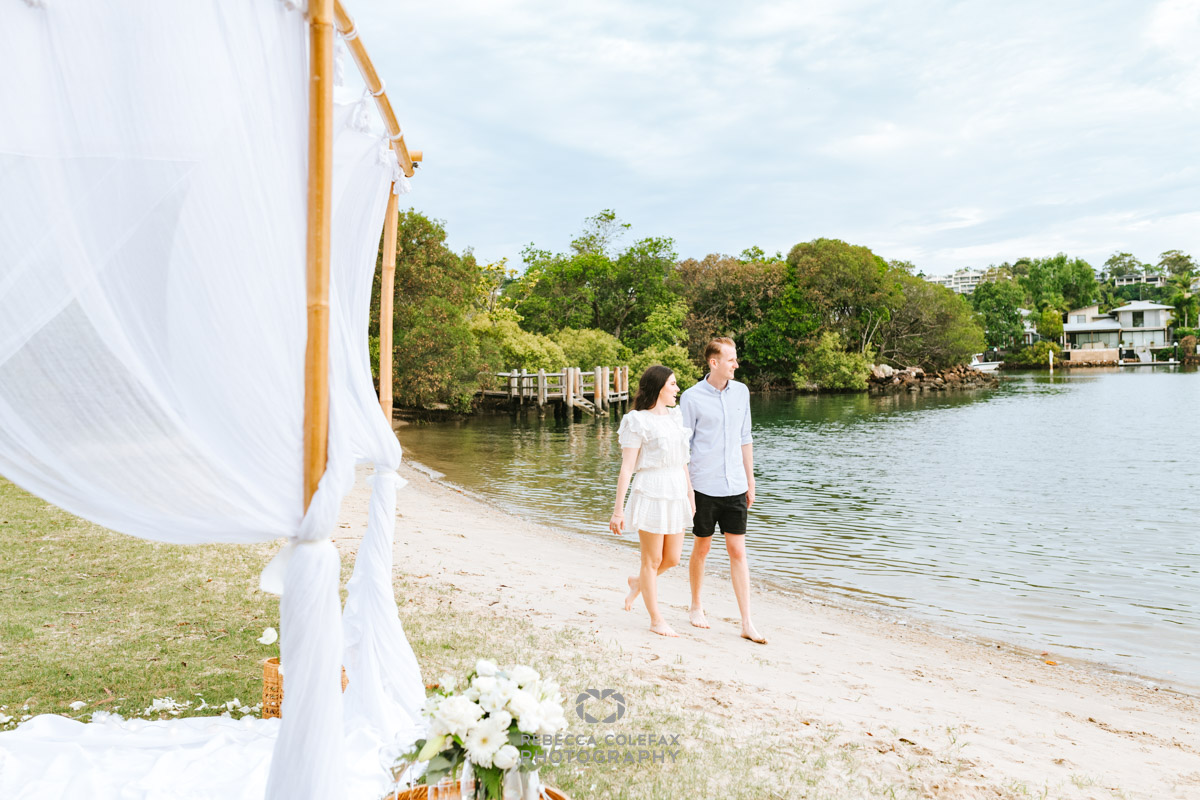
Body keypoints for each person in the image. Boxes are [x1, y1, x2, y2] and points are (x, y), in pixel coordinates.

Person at [679, 337, 767, 644]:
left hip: (735, 486)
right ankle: (695, 606)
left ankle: (746, 621)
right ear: (714, 362)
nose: (736, 364)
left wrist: (751, 481)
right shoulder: (690, 397)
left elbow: (746, 438)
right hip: (703, 486)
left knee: (738, 551)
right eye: (731, 360)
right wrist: (688, 491)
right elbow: (683, 448)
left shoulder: (741, 392)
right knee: (702, 548)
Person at [610, 365, 695, 638]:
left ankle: (637, 583)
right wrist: (617, 511)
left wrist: (690, 496)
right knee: (652, 558)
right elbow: (626, 468)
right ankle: (656, 619)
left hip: (675, 490)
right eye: (672, 384)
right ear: (659, 387)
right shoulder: (637, 420)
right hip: (650, 489)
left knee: (672, 558)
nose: (677, 389)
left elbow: (683, 462)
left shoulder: (675, 417)